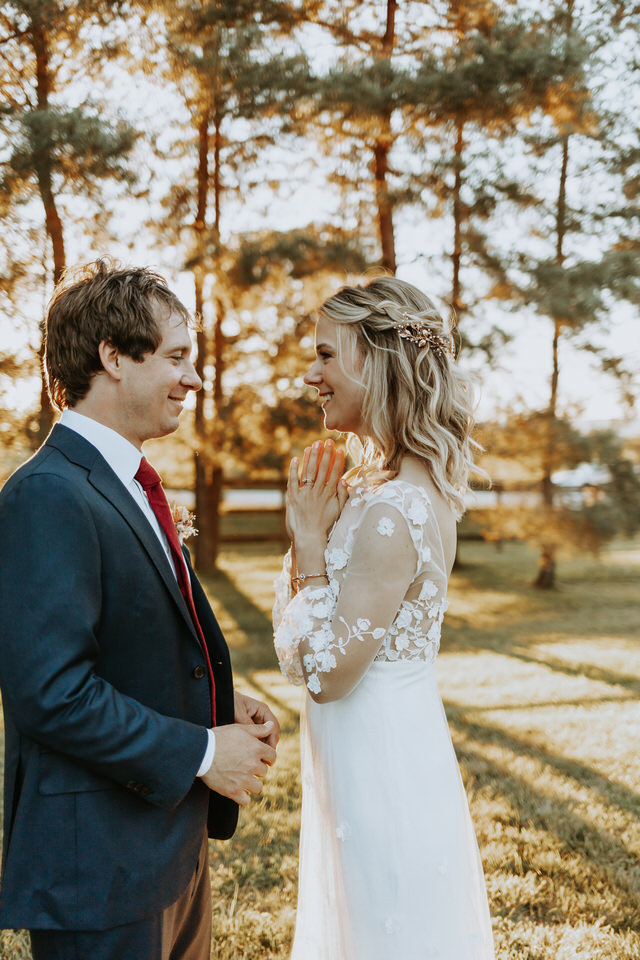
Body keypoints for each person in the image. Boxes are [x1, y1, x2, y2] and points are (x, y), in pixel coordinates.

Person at [0, 259, 279, 960]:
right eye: (178, 357)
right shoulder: (49, 495)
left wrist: (217, 700)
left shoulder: (125, 483)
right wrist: (205, 750)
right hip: (99, 867)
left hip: (165, 853)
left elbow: (125, 648)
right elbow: (51, 692)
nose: (195, 380)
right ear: (113, 357)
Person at [273, 276, 495, 959]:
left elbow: (326, 675)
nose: (312, 375)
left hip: (381, 765)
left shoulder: (394, 510)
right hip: (371, 752)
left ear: (378, 362)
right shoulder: (388, 495)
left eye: (327, 356)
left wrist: (310, 547)